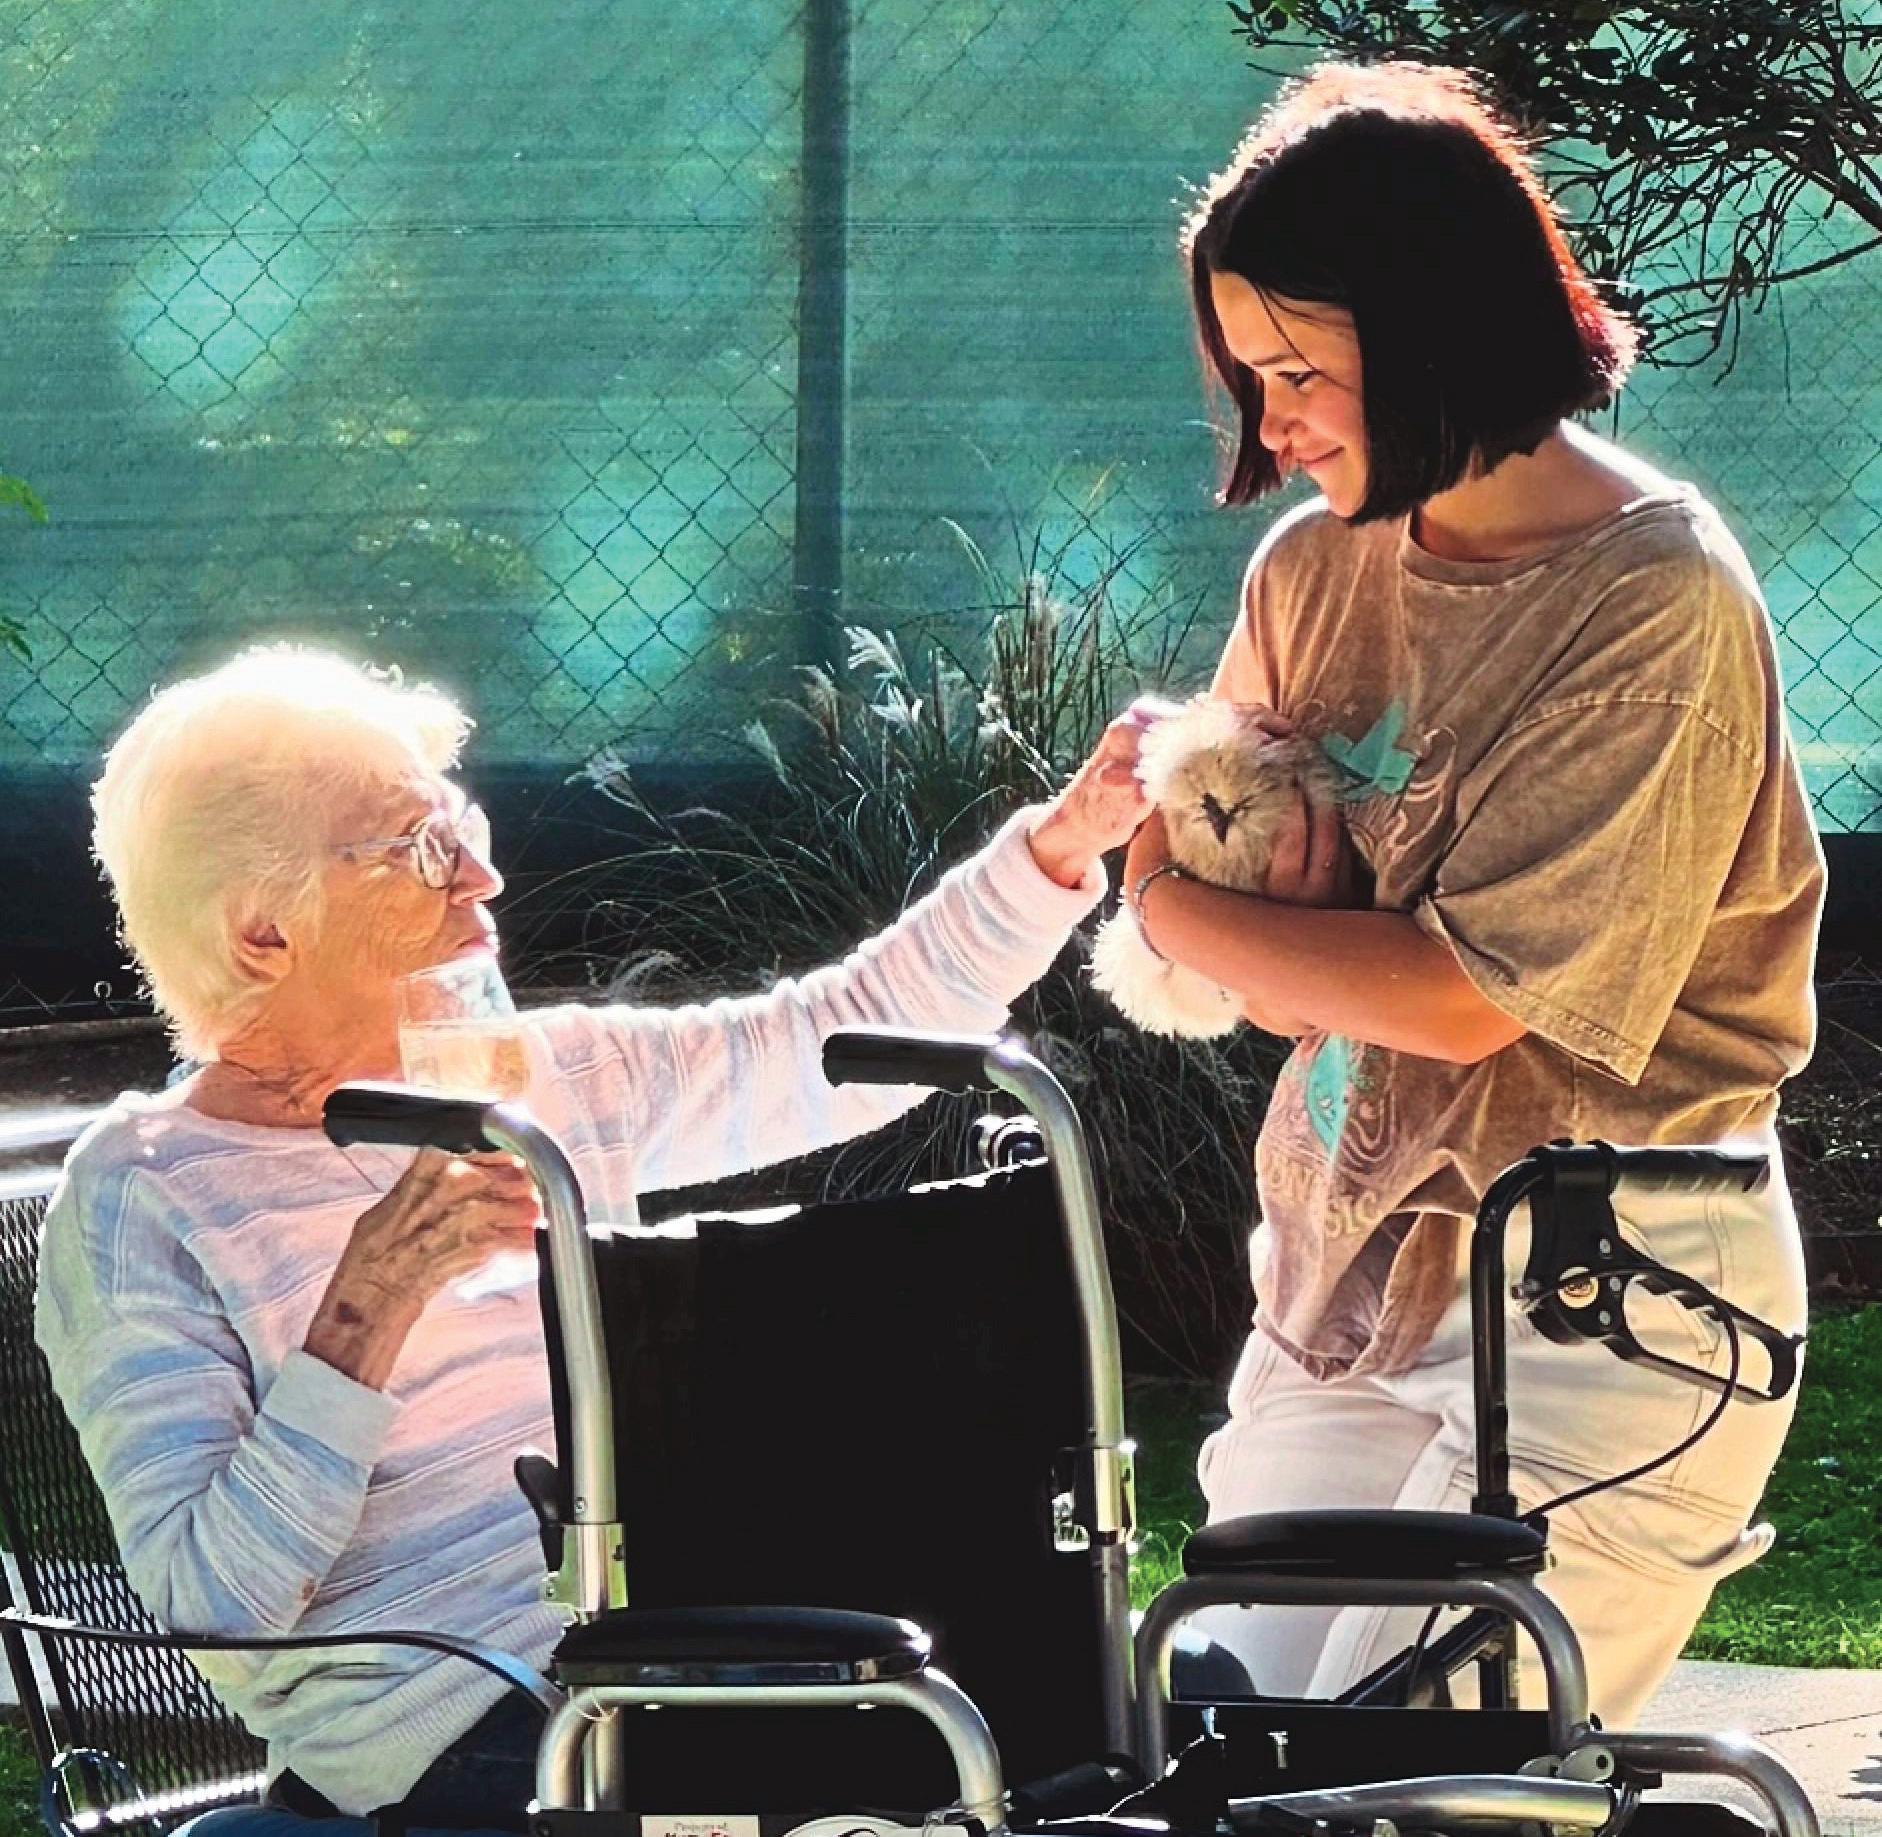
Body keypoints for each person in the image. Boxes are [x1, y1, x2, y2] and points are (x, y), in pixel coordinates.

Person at [35, 643, 1156, 1827]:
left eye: (462, 826)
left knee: (1084, 1709)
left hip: (690, 1623)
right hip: (470, 1707)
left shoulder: (528, 1077)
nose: (482, 879)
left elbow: (823, 1040)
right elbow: (212, 1609)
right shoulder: (142, 1198)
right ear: (264, 934)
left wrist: (1059, 847)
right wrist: (363, 1310)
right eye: (422, 851)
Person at [1124, 61, 1825, 1725]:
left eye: (1297, 368)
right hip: (1342, 1275)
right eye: (1247, 373)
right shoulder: (1310, 565)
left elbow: (1457, 991)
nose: (1268, 421)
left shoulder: (1652, 595)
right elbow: (1257, 920)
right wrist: (1236, 915)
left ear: (1432, 326)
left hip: (1608, 1298)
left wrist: (1168, 908)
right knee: (1213, 1759)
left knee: (1404, 1789)